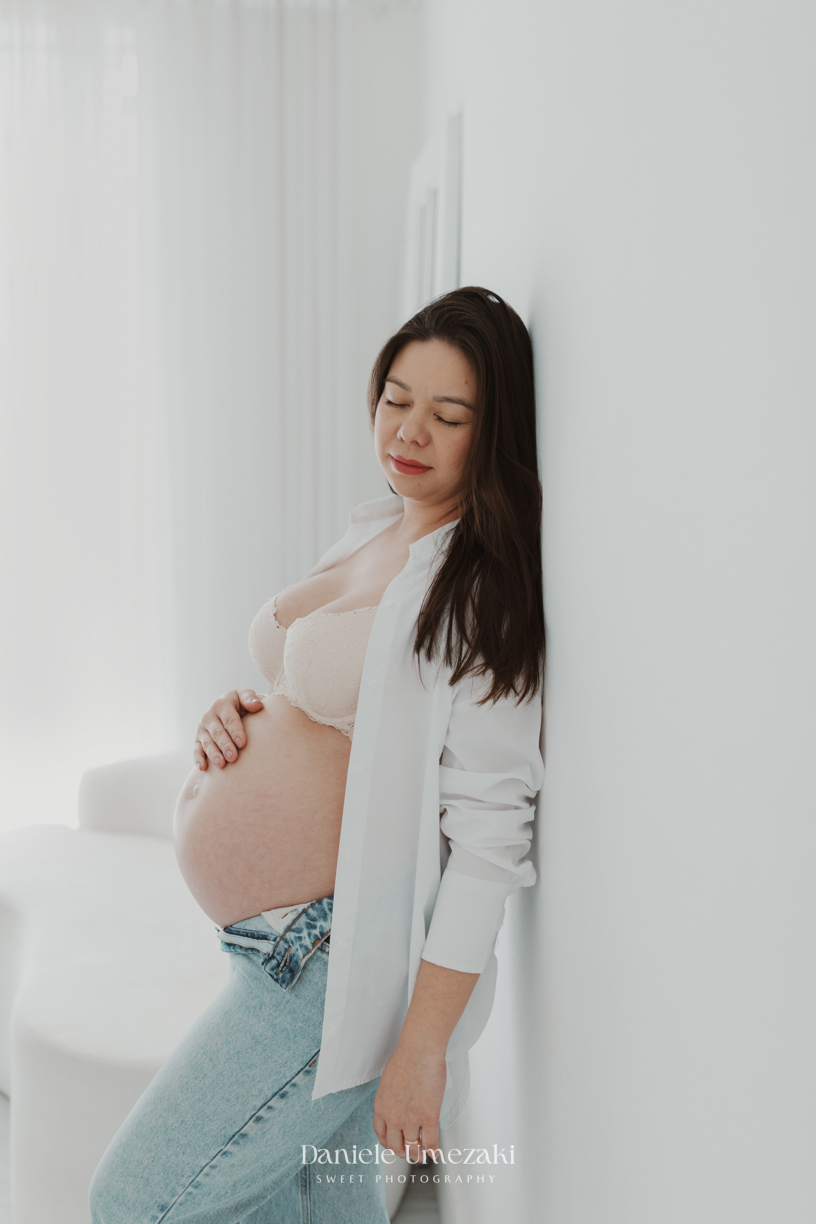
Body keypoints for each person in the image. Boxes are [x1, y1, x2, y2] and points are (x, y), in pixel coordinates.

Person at [88, 286, 545, 1223]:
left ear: (489, 434)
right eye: (396, 398)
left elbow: (493, 841)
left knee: (133, 1200)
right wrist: (241, 712)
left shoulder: (477, 592)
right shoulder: (378, 528)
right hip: (269, 946)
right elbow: (330, 700)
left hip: (330, 966)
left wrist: (422, 1046)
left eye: (448, 414)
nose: (409, 430)